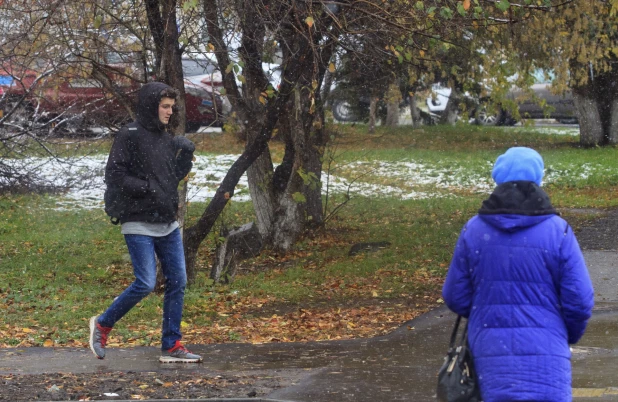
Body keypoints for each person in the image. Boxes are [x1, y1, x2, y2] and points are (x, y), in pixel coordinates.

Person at [442, 147, 594, 402]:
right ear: (538, 179)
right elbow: (579, 299)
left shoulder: (475, 230)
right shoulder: (559, 231)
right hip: (547, 349)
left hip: (489, 349)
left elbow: (455, 295)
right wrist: (566, 333)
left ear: (498, 179)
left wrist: (487, 312)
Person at [89, 82, 201, 363]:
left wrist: (185, 157)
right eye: (165, 107)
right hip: (137, 220)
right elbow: (114, 174)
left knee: (178, 281)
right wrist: (148, 188)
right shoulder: (130, 135)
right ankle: (102, 324)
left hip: (167, 223)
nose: (169, 112)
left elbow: (171, 179)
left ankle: (172, 345)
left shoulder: (164, 138)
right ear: (152, 106)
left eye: (172, 107)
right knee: (146, 282)